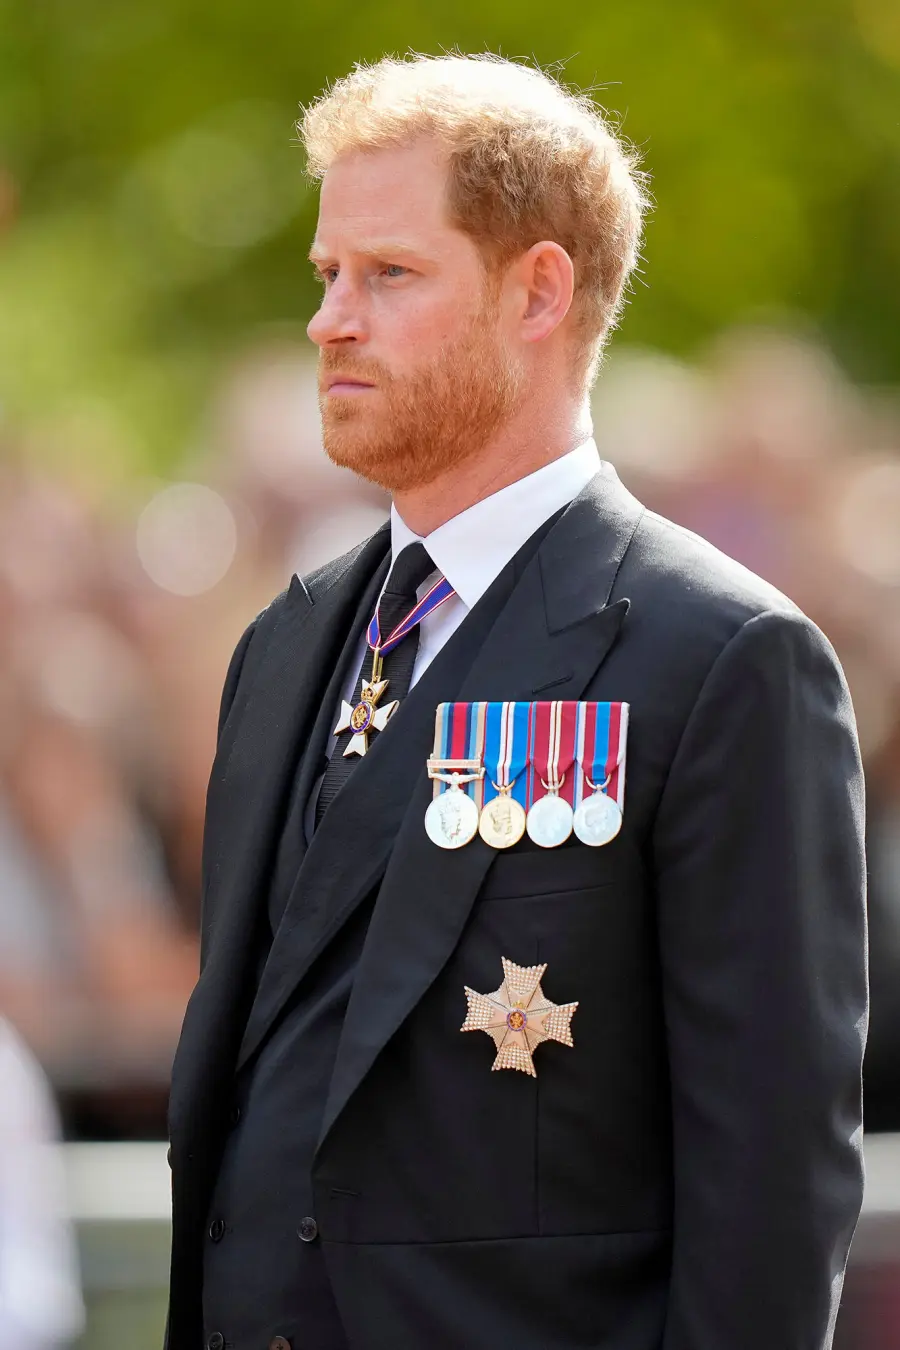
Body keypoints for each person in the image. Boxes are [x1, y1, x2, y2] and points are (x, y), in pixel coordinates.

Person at [165, 53, 868, 1350]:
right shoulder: (286, 642)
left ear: (538, 290)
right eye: (328, 276)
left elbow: (770, 1193)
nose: (329, 319)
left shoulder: (720, 658)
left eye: (390, 273)